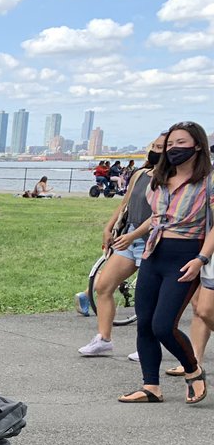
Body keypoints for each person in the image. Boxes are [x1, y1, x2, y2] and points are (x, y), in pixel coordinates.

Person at [119, 120, 213, 404]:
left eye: (181, 143)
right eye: (170, 144)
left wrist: (201, 259)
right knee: (145, 324)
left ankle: (193, 370)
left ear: (197, 145)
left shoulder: (208, 181)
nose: (173, 149)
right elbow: (157, 218)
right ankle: (151, 387)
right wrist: (131, 235)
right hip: (153, 254)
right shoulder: (158, 179)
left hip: (185, 257)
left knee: (163, 325)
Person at [79, 134, 164, 357]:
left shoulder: (173, 180)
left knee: (148, 297)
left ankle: (148, 345)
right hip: (130, 236)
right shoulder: (140, 174)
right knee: (103, 285)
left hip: (153, 240)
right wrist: (109, 228)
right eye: (154, 146)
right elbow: (125, 204)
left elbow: (160, 213)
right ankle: (103, 339)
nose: (156, 151)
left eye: (161, 147)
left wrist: (134, 234)